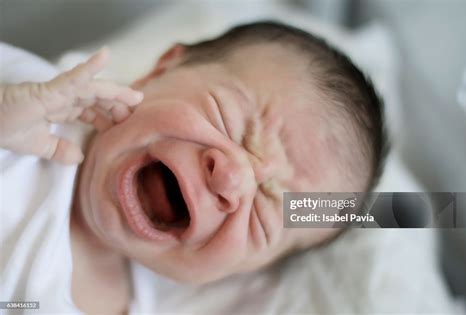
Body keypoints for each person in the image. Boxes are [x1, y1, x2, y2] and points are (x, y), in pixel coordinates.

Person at [0, 21, 388, 313]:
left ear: (241, 272)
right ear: (160, 72)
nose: (231, 180)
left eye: (264, 214)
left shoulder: (143, 303)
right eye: (229, 121)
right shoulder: (33, 103)